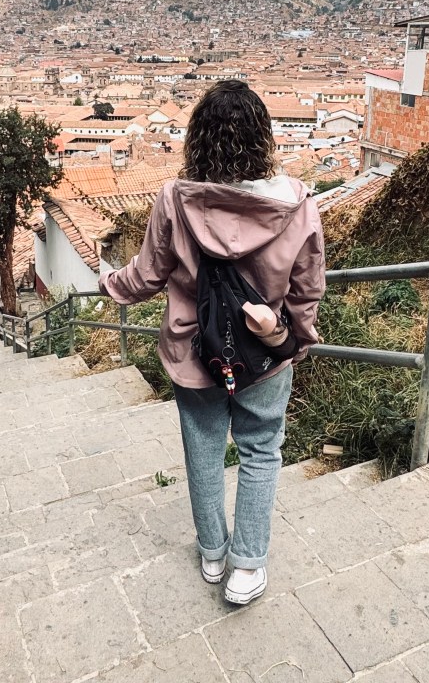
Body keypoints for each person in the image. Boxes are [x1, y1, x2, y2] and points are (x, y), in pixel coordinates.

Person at [99, 80, 325, 605]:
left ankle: (213, 551)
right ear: (263, 137)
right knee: (261, 452)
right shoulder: (297, 205)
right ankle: (247, 566)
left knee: (202, 452)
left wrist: (109, 283)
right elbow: (307, 288)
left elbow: (147, 275)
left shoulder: (175, 200)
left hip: (192, 352)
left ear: (197, 138)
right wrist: (293, 340)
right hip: (265, 354)